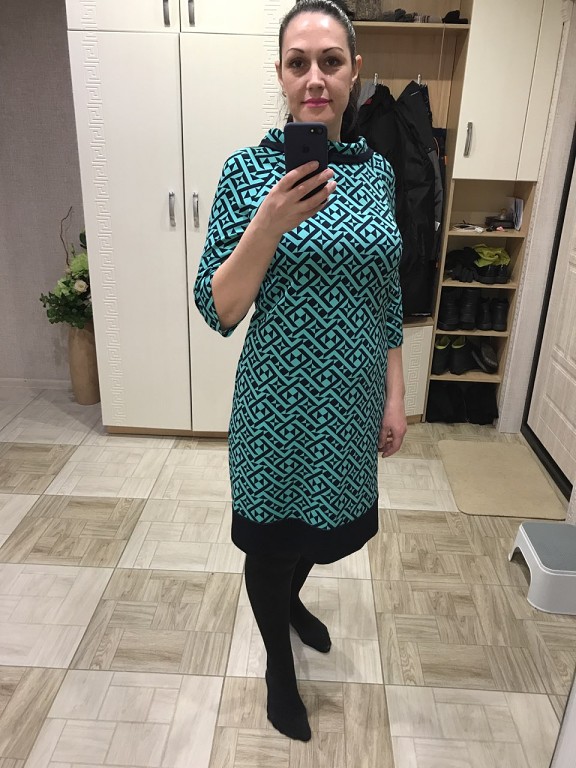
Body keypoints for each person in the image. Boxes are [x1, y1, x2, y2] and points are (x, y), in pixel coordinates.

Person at [194, 0, 406, 742]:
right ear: (281, 75)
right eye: (298, 63)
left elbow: (387, 294)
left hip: (351, 402)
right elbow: (218, 306)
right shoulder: (249, 171)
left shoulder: (379, 175)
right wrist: (269, 221)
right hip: (275, 405)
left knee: (320, 532)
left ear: (354, 72)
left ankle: (290, 603)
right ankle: (278, 670)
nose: (315, 78)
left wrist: (396, 396)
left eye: (331, 61)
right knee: (271, 541)